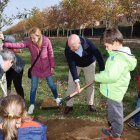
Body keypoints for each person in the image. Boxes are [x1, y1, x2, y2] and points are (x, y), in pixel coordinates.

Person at [1, 27, 61, 114]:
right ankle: (32, 105)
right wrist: (6, 45)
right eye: (31, 37)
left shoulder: (46, 41)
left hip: (46, 68)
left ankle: (57, 98)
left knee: (51, 85)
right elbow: (20, 45)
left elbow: (51, 53)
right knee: (33, 88)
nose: (32, 40)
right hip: (35, 69)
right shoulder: (29, 41)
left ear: (39, 36)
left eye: (33, 38)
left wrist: (52, 66)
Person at [94, 28, 137, 140]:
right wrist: (103, 73)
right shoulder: (116, 54)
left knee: (116, 115)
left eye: (107, 45)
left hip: (115, 91)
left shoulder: (119, 59)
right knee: (112, 113)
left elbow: (111, 76)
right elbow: (110, 71)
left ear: (115, 43)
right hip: (113, 90)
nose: (105, 47)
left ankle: (116, 135)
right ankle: (113, 130)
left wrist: (96, 77)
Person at [64, 34, 105, 114]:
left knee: (90, 83)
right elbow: (71, 65)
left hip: (89, 64)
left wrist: (102, 71)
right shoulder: (68, 48)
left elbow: (99, 56)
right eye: (69, 46)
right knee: (71, 84)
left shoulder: (89, 44)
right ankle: (69, 105)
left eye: (73, 46)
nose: (70, 49)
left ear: (79, 43)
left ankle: (90, 104)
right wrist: (77, 82)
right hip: (76, 65)